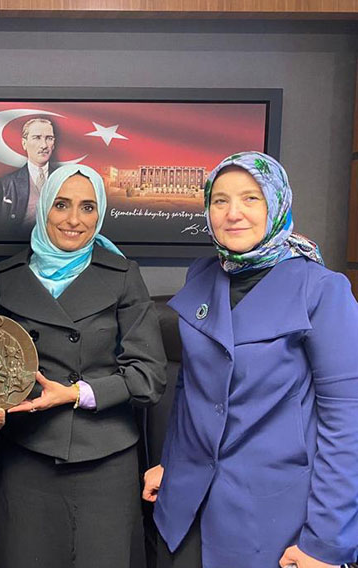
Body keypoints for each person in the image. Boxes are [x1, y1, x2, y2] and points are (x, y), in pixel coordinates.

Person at [142, 151, 358, 568]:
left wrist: (327, 542)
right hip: (185, 507)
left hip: (273, 520)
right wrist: (171, 465)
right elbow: (190, 388)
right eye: (220, 200)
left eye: (250, 198)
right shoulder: (200, 274)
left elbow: (348, 422)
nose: (233, 213)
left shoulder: (322, 289)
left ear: (276, 204)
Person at [0, 163, 166, 568]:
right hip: (27, 454)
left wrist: (78, 393)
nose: (74, 220)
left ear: (100, 214)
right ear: (44, 206)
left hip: (105, 457)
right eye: (61, 205)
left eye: (87, 207)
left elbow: (148, 377)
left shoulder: (123, 275)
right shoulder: (7, 277)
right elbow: (1, 372)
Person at [0, 117, 57, 237]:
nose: (44, 145)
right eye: (37, 137)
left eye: (49, 138)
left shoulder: (66, 181)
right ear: (24, 143)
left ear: (54, 144)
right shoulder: (5, 184)